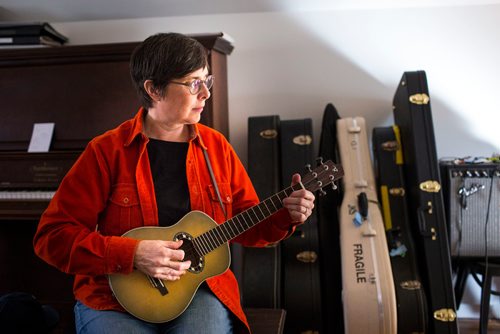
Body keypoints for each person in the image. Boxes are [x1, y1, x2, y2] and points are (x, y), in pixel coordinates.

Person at [33, 32, 315, 334]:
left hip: (199, 290)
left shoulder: (216, 148)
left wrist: (286, 215)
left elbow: (249, 226)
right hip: (113, 298)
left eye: (207, 81)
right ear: (154, 89)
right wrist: (133, 254)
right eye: (194, 83)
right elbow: (52, 237)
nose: (205, 94)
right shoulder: (105, 152)